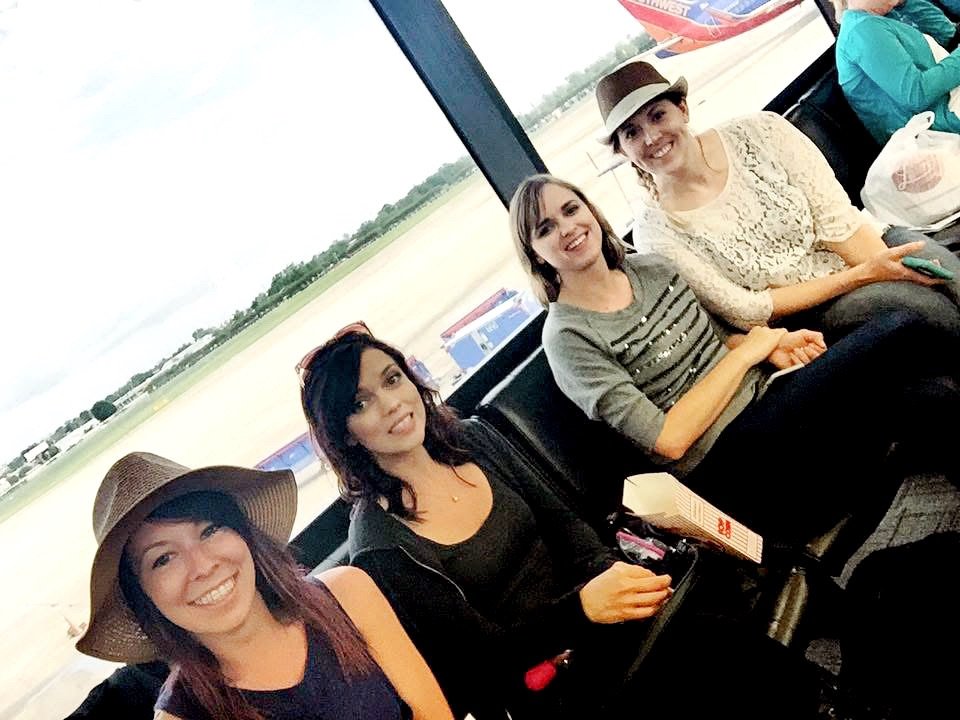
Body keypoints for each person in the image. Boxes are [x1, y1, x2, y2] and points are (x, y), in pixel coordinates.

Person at [298, 328, 827, 720]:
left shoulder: (476, 441)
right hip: (551, 678)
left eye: (392, 379)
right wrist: (582, 613)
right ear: (345, 434)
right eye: (362, 403)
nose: (391, 404)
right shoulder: (380, 547)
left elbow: (567, 527)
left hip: (604, 611)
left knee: (730, 649)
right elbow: (480, 664)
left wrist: (615, 585)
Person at [510, 174, 960, 544]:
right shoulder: (568, 336)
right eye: (544, 228)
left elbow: (722, 343)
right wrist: (752, 351)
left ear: (591, 211)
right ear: (534, 253)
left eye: (571, 210)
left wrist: (772, 346)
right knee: (898, 327)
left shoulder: (651, 268)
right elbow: (668, 440)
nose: (567, 228)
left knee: (930, 397)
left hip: (773, 406)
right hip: (726, 465)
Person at [74, 451, 453, 720]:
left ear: (243, 533)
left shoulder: (348, 594)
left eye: (209, 530)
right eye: (163, 559)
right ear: (145, 598)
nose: (202, 566)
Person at [594, 59, 960, 337]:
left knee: (948, 277)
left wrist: (885, 265)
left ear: (683, 109)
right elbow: (748, 309)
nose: (651, 138)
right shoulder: (656, 231)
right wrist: (867, 277)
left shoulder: (761, 132)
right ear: (623, 151)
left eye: (658, 115)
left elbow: (839, 222)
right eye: (631, 133)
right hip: (813, 307)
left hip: (866, 245)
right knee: (926, 309)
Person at [835, 0, 960, 143]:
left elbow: (948, 35)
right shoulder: (861, 30)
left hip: (943, 109)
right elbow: (916, 94)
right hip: (933, 128)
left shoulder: (882, 19)